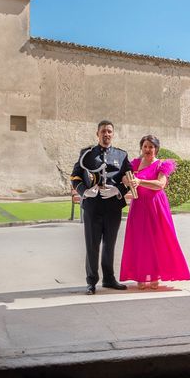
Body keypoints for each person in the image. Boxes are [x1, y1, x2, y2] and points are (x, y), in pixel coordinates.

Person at [120, 135, 190, 289]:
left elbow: (160, 184)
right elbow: (125, 179)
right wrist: (126, 180)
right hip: (139, 206)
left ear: (156, 149)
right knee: (139, 240)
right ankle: (140, 276)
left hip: (156, 206)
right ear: (141, 148)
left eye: (151, 147)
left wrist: (140, 181)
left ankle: (154, 276)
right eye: (145, 146)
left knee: (157, 240)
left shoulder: (161, 165)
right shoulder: (135, 164)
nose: (148, 150)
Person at [70, 120, 132, 295]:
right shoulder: (87, 154)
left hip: (113, 206)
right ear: (97, 134)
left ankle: (109, 278)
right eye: (103, 131)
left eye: (110, 132)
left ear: (113, 134)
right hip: (93, 206)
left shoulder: (121, 155)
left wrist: (118, 190)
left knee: (109, 244)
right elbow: (75, 176)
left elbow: (130, 178)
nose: (107, 134)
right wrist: (84, 191)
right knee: (92, 245)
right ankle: (91, 282)